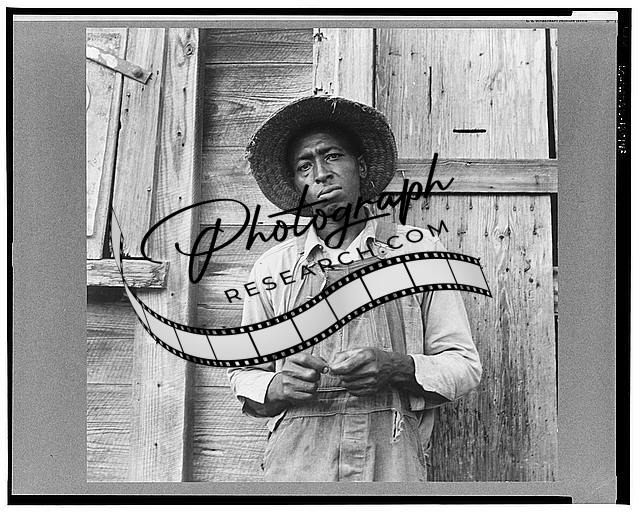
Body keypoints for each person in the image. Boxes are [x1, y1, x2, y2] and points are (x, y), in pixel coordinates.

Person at [228, 95, 482, 482]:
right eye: (304, 166)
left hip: (391, 463)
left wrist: (397, 367)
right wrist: (278, 385)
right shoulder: (273, 268)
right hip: (297, 466)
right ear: (297, 185)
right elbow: (244, 376)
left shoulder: (418, 252)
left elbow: (464, 366)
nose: (320, 174)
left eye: (332, 156)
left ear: (360, 166)